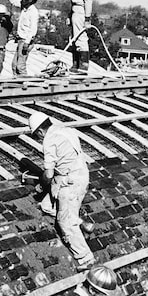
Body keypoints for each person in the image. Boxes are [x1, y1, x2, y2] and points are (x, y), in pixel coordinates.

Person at [28, 111, 94, 269]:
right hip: (80, 175)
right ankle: (82, 223)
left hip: (69, 182)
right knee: (47, 206)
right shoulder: (65, 129)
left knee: (65, 222)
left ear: (40, 131)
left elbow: (49, 173)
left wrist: (42, 185)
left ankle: (86, 259)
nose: (38, 139)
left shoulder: (49, 140)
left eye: (37, 136)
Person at [0, 0, 40, 76]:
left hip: (26, 41)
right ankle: (17, 82)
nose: (24, 0)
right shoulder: (24, 8)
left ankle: (24, 82)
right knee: (14, 65)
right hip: (21, 40)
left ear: (32, 1)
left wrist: (27, 42)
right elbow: (14, 0)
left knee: (20, 66)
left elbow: (33, 29)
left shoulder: (33, 12)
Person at [70, 0, 96, 73]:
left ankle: (83, 66)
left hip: (80, 11)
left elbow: (88, 0)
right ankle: (75, 65)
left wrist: (87, 18)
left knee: (81, 39)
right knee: (74, 39)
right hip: (75, 10)